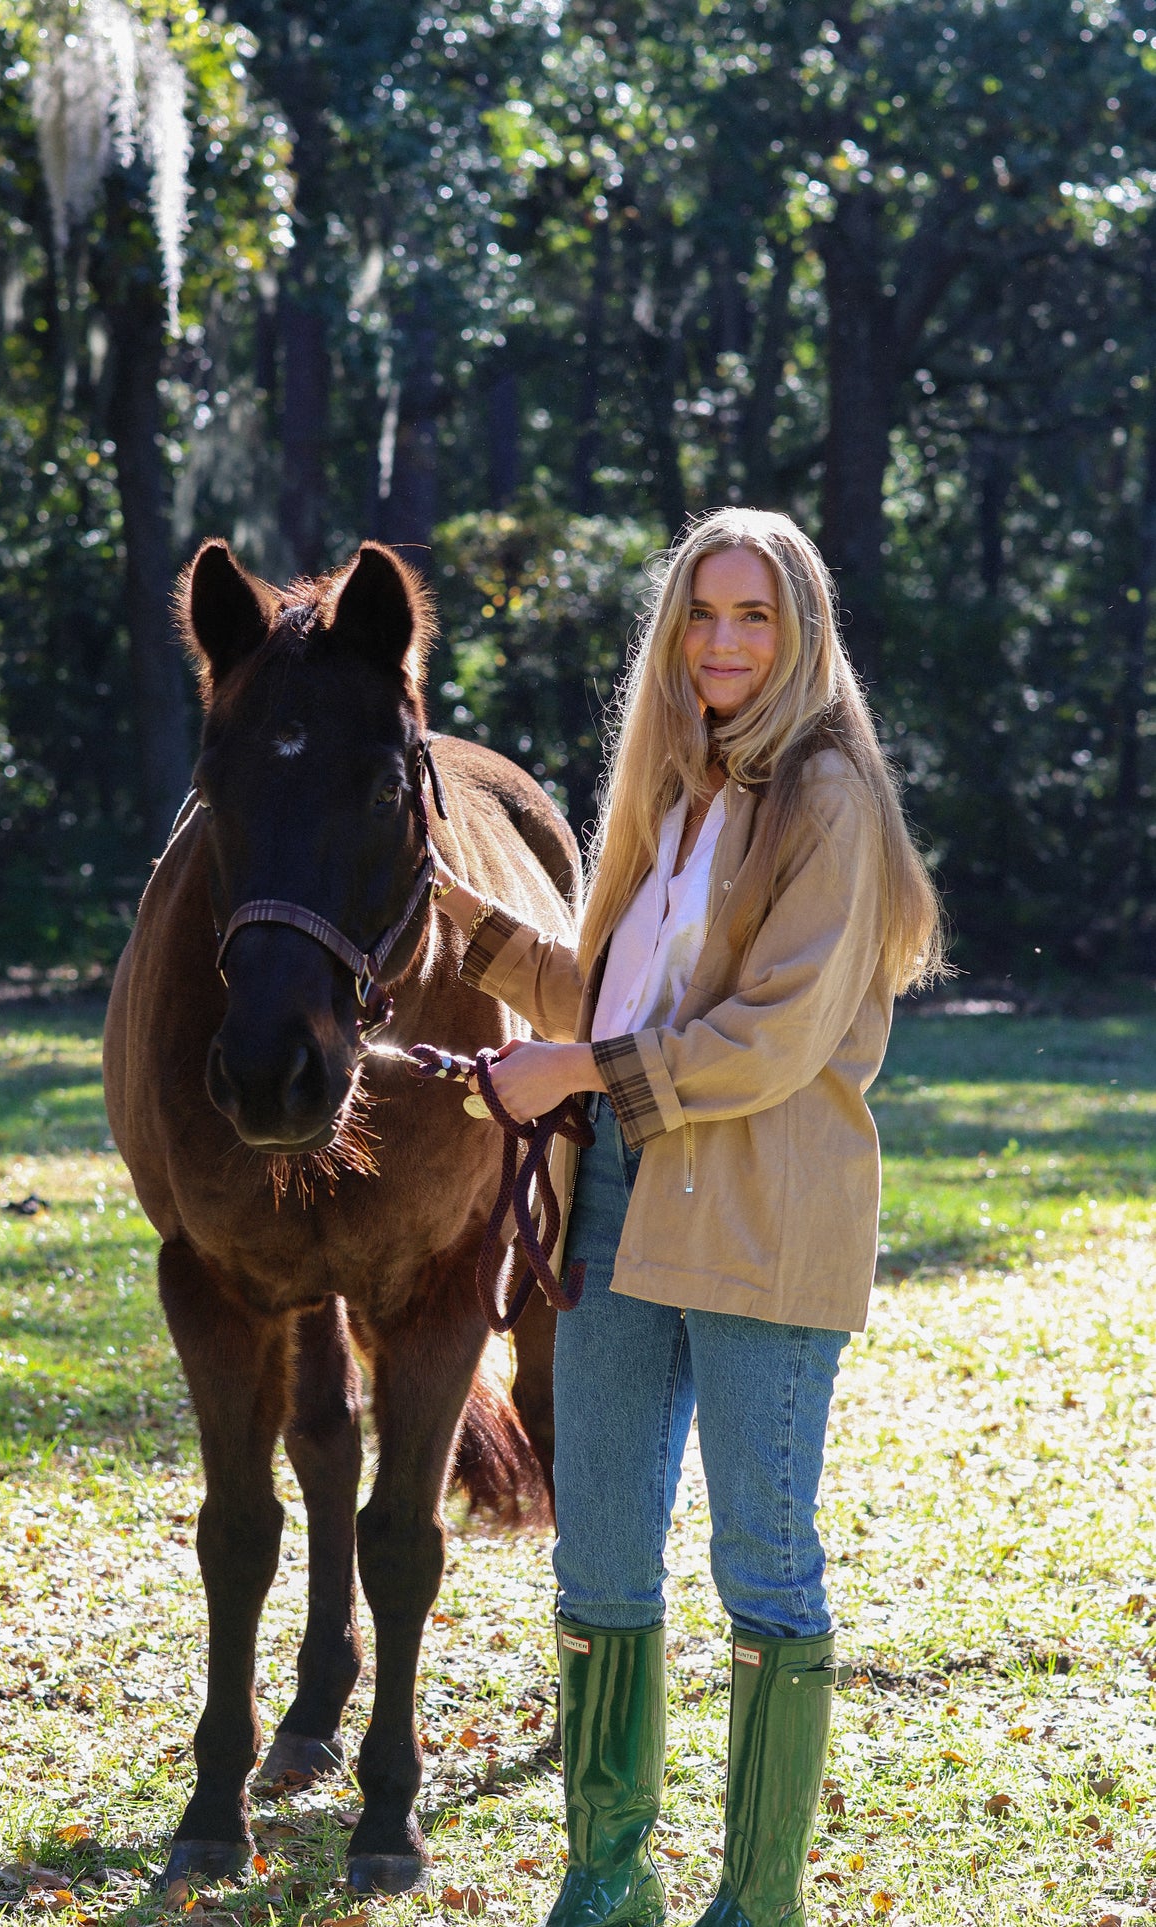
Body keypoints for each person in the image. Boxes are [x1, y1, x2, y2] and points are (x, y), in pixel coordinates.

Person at [431, 508, 944, 1927]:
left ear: (801, 634)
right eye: (703, 614)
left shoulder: (825, 797)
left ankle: (756, 1900)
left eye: (754, 616)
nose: (724, 642)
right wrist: (462, 928)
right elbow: (616, 1004)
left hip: (768, 1218)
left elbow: (767, 1038)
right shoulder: (674, 794)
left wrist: (573, 1072)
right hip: (617, 1205)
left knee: (760, 1564)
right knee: (598, 1552)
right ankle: (606, 1881)